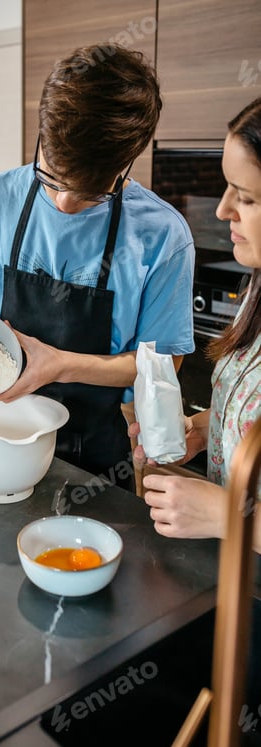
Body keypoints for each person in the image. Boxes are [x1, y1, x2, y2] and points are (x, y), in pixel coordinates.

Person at [0, 44, 196, 489]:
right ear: (42, 136)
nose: (66, 203)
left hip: (96, 461)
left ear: (127, 162)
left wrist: (59, 364)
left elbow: (162, 364)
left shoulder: (163, 236)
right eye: (51, 177)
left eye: (91, 193)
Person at [130, 96, 261, 548]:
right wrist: (204, 431)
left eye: (245, 197)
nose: (223, 210)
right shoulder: (255, 295)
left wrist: (225, 514)